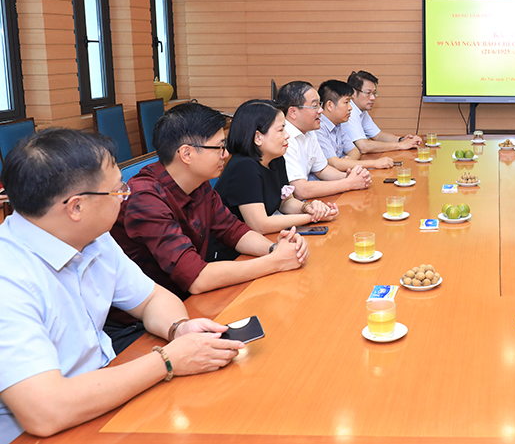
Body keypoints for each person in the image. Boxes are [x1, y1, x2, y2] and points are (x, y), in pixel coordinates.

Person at [0, 128, 243, 443]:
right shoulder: (9, 278)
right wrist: (167, 360)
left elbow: (152, 298)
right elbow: (46, 411)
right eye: (118, 191)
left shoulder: (93, 238)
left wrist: (178, 329)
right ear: (76, 207)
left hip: (106, 395)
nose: (126, 196)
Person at [111, 102, 308, 319]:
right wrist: (274, 262)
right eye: (219, 147)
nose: (226, 154)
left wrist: (275, 249)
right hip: (145, 321)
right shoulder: (145, 198)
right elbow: (197, 278)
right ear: (187, 154)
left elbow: (233, 231)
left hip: (189, 301)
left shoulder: (198, 183)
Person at [215, 99, 339, 234]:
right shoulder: (243, 167)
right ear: (258, 137)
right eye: (281, 130)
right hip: (234, 245)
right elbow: (260, 225)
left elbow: (285, 202)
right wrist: (311, 217)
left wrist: (309, 208)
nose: (287, 135)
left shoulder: (275, 159)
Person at [277, 81, 372, 200]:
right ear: (293, 112)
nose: (320, 110)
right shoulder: (283, 138)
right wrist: (348, 183)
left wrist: (350, 177)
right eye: (314, 106)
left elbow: (322, 170)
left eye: (319, 105)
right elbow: (301, 190)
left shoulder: (309, 132)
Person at [316, 79, 394, 171]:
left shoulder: (338, 125)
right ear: (330, 106)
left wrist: (348, 161)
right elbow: (335, 164)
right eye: (346, 102)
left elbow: (354, 151)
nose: (350, 107)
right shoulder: (318, 128)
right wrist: (375, 163)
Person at [344, 70, 422, 154]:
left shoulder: (361, 111)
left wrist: (401, 140)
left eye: (374, 93)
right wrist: (401, 145)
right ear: (353, 93)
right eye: (368, 93)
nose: (373, 98)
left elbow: (378, 135)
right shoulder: (349, 112)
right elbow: (364, 147)